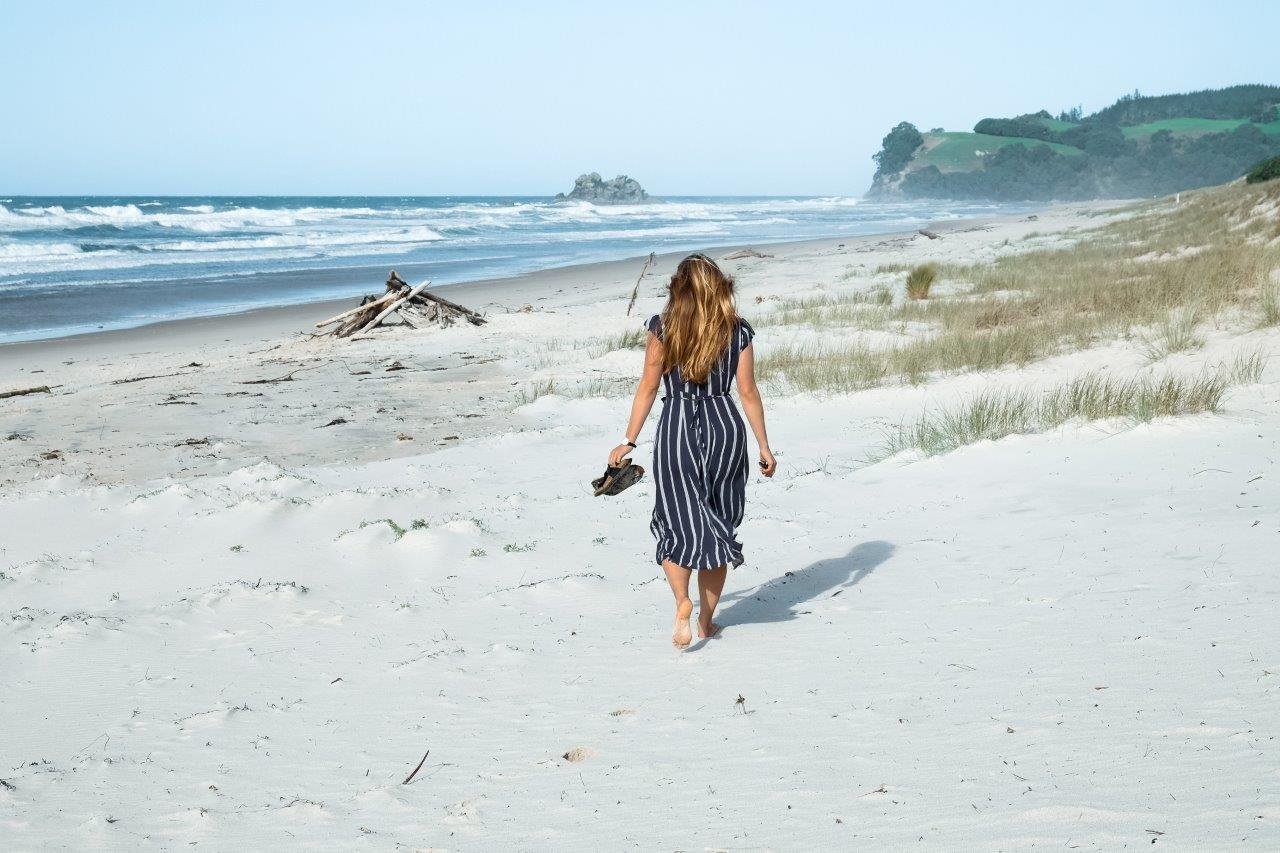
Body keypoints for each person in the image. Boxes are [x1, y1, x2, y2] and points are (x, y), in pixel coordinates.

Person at [608, 253, 776, 648]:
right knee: (719, 525)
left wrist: (628, 440)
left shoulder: (663, 328)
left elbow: (648, 386)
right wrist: (764, 446)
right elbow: (748, 392)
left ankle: (682, 601)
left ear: (677, 291)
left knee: (677, 524)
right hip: (724, 428)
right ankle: (704, 621)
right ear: (720, 288)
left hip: (676, 430)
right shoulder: (737, 332)